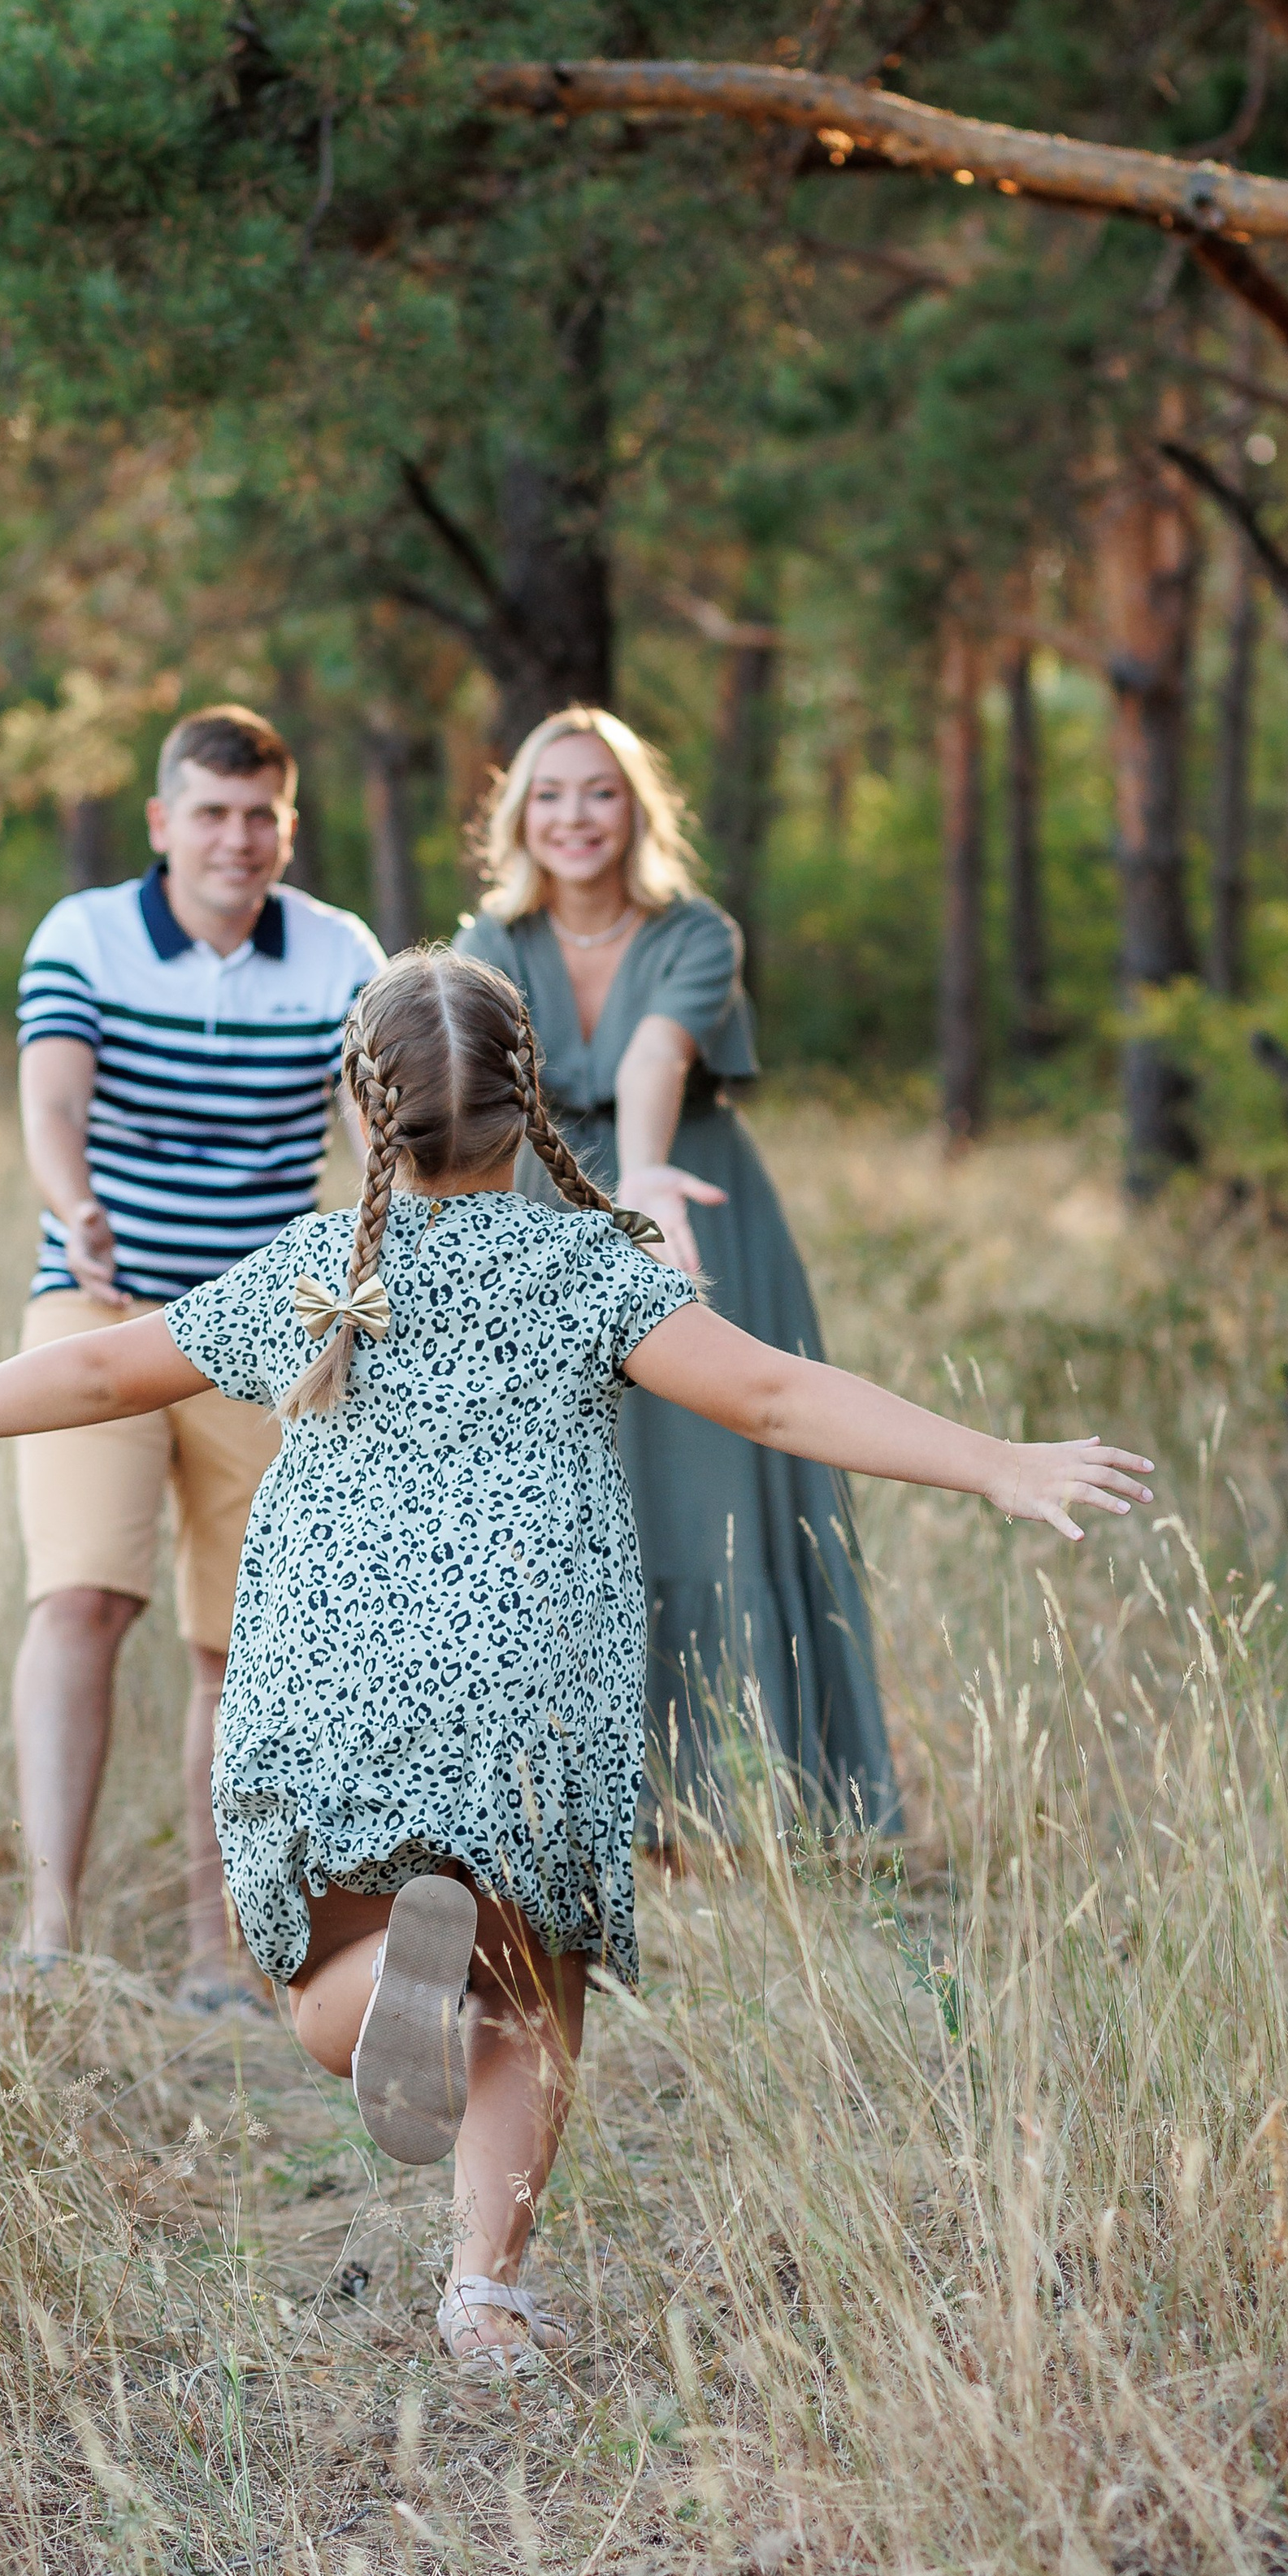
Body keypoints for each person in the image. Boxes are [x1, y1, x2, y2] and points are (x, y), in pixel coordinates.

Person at [0, 948, 1152, 2373]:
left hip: (336, 1668)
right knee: (535, 1979)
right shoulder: (589, 1271)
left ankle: (391, 1970)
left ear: (359, 1107)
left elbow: (98, 1370)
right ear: (533, 1104)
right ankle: (485, 2297)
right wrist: (992, 1460)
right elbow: (772, 1394)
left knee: (329, 1952)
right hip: (530, 1670)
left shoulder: (322, 1270)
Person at [455, 706, 899, 1831]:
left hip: (696, 1208)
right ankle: (587, 1801)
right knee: (567, 1490)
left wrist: (642, 1184)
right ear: (518, 816)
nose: (574, 817)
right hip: (545, 1221)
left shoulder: (698, 931)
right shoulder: (487, 946)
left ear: (636, 809)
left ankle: (760, 1802)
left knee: (724, 1487)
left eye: (598, 791)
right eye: (549, 795)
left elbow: (656, 1052)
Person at [10, 701, 382, 2006]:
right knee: (84, 1600)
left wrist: (397, 1234)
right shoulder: (88, 934)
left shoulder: (338, 949)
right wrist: (76, 1205)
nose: (237, 840)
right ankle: (52, 1941)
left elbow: (369, 1115)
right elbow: (54, 1099)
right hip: (100, 1313)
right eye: (211, 815)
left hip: (265, 1334)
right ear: (164, 823)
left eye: (260, 816)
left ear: (289, 826)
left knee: (238, 1642)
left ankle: (220, 1949)